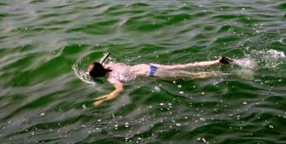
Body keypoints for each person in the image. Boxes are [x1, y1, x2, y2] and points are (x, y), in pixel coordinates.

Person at [88, 56, 233, 106]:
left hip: (153, 74)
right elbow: (106, 66)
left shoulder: (112, 78)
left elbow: (119, 90)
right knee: (187, 65)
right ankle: (217, 61)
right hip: (150, 66)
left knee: (191, 76)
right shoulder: (113, 65)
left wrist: (103, 99)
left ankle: (222, 74)